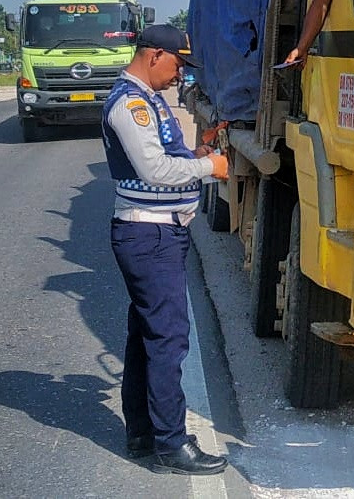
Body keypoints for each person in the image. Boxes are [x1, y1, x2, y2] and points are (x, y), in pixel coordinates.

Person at [101, 23, 230, 476]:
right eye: (177, 64)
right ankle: (172, 444)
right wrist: (209, 167)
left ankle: (142, 432)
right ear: (155, 55)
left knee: (145, 333)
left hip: (156, 234)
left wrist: (200, 149)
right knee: (169, 338)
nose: (180, 75)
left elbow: (165, 157)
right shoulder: (131, 103)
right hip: (150, 236)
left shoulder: (149, 98)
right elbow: (155, 170)